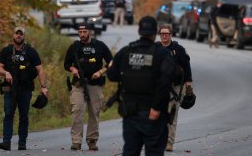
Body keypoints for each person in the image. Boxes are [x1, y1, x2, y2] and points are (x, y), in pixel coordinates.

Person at [107, 16, 174, 155]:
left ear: (139, 31)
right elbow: (166, 83)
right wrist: (156, 108)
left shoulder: (125, 52)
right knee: (154, 151)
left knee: (130, 151)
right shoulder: (162, 54)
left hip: (130, 112)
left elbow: (111, 75)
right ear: (155, 33)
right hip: (153, 114)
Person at [0, 26, 48, 151]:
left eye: (21, 34)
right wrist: (5, 73)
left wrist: (43, 87)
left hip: (25, 88)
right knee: (8, 113)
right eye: (16, 33)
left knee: (23, 115)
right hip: (10, 88)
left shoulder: (31, 51)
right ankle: (6, 142)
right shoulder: (6, 51)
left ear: (24, 36)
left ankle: (22, 143)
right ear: (13, 35)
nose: (18, 36)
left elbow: (40, 69)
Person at [64, 23, 112, 151]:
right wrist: (73, 69)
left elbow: (111, 62)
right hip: (79, 84)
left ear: (89, 32)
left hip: (95, 84)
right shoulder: (74, 47)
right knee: (77, 111)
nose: (82, 34)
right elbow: (66, 63)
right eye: (80, 32)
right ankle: (76, 141)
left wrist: (100, 72)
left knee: (94, 113)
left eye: (84, 32)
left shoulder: (100, 46)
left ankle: (92, 140)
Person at [156, 24, 193, 152]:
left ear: (171, 35)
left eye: (167, 33)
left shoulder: (179, 49)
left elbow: (187, 66)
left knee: (172, 115)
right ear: (159, 34)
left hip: (175, 87)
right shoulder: (155, 49)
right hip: (158, 86)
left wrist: (188, 83)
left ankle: (169, 142)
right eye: (162, 34)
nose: (164, 36)